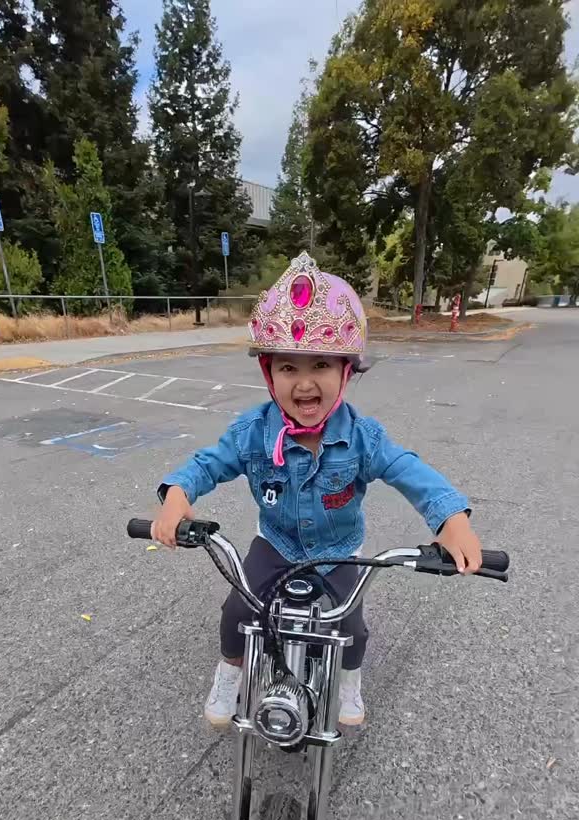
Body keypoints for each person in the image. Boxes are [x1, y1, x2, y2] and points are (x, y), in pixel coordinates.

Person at [152, 252, 482, 728]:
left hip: (338, 551)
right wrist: (179, 496)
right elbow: (207, 464)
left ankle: (349, 680)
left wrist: (452, 519)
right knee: (236, 610)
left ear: (346, 371)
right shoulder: (251, 432)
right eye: (288, 368)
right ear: (269, 373)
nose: (305, 383)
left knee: (350, 625)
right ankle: (230, 671)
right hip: (276, 545)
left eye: (322, 365)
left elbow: (409, 470)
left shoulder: (364, 438)